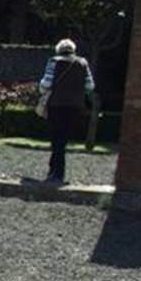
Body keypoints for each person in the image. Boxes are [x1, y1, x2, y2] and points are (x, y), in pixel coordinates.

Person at [38, 39, 95, 185]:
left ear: (58, 50)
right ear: (73, 50)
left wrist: (42, 90)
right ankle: (54, 170)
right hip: (75, 105)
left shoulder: (54, 61)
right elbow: (90, 85)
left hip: (56, 104)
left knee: (56, 138)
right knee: (63, 139)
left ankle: (57, 173)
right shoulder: (83, 63)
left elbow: (46, 84)